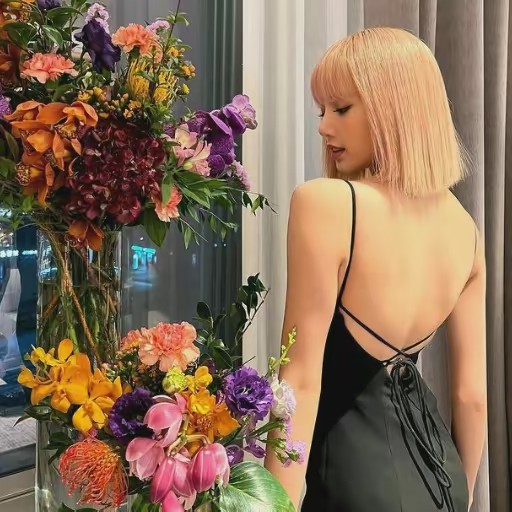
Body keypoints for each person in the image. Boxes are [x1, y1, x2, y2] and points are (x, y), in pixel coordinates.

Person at [263, 27, 487, 512]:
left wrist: (272, 505)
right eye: (321, 111)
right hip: (443, 479)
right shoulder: (465, 230)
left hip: (353, 484)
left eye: (341, 109)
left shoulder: (327, 204)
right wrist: (463, 495)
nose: (324, 127)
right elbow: (472, 396)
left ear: (394, 108)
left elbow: (299, 382)